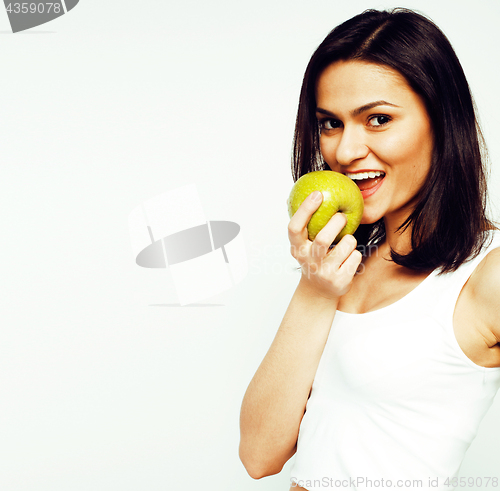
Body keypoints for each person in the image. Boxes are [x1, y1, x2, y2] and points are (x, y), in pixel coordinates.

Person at [238, 8, 500, 491]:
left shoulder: (487, 272)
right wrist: (315, 288)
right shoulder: (345, 267)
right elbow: (259, 453)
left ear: (442, 121)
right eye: (330, 123)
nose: (344, 151)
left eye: (377, 120)